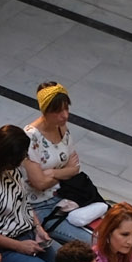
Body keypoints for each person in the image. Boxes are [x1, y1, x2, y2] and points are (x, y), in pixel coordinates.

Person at [0, 125, 67, 262]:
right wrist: (19, 246)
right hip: (7, 245)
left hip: (30, 233)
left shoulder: (13, 172)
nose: (22, 162)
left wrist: (39, 228)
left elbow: (24, 203)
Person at [24, 83, 101, 217]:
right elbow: (39, 184)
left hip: (64, 195)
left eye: (66, 109)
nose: (65, 115)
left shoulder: (61, 128)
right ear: (45, 111)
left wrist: (51, 172)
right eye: (58, 111)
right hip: (39, 205)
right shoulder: (30, 137)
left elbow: (75, 167)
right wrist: (65, 173)